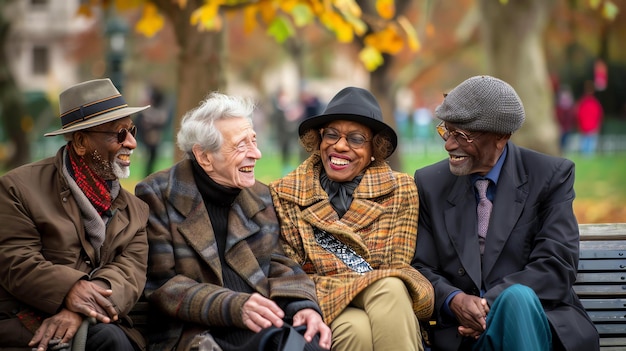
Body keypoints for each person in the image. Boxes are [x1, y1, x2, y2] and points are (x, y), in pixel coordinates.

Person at [411, 75, 599, 351]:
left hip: (537, 329)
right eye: (446, 131)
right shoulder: (431, 183)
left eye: (462, 135)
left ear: (501, 137)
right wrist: (454, 300)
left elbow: (556, 265)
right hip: (462, 338)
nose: (449, 145)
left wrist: (489, 305)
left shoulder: (550, 176)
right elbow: (420, 266)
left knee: (517, 299)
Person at [134, 92, 331, 351]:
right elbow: (163, 286)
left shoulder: (259, 196)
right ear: (204, 156)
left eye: (254, 141)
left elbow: (278, 264)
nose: (256, 153)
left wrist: (303, 306)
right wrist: (233, 306)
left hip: (260, 322)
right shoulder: (158, 194)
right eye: (241, 145)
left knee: (309, 343)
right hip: (196, 331)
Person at [269, 86, 435, 351]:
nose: (340, 146)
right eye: (331, 135)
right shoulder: (284, 193)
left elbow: (396, 262)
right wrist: (360, 283)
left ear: (374, 149)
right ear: (318, 140)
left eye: (356, 139)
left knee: (383, 296)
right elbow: (292, 269)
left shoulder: (401, 189)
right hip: (319, 299)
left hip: (383, 300)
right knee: (368, 313)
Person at [0, 78, 150, 351]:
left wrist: (80, 309)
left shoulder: (136, 210)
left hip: (101, 324)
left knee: (112, 340)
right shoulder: (17, 188)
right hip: (27, 323)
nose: (132, 142)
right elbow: (15, 260)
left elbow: (131, 273)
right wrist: (70, 290)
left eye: (132, 130)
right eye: (119, 134)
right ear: (80, 142)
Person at [136, 86, 170, 176]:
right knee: (150, 158)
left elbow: (162, 123)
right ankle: (147, 174)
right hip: (147, 138)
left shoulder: (153, 112)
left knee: (152, 157)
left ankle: (148, 174)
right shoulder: (146, 113)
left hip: (153, 138)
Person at [576, 80, 604, 156]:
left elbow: (599, 116)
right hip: (586, 128)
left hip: (590, 128)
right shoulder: (586, 102)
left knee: (588, 149)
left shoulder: (590, 102)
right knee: (587, 149)